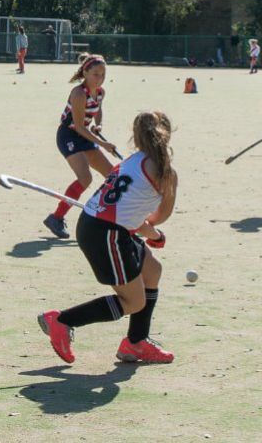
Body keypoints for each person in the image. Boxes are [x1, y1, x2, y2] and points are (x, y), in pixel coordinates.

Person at [38, 111, 178, 364]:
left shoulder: (129, 162)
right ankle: (61, 320)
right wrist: (155, 234)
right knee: (133, 302)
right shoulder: (166, 173)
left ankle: (136, 343)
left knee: (152, 270)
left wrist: (148, 231)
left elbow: (134, 216)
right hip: (107, 234)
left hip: (98, 225)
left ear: (136, 137)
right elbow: (158, 217)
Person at [43, 54, 120, 239]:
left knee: (112, 176)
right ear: (85, 72)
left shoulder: (100, 92)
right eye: (95, 74)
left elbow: (98, 110)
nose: (99, 78)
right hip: (69, 135)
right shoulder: (78, 93)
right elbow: (78, 126)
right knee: (85, 178)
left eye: (102, 74)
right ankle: (56, 217)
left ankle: (110, 218)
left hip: (85, 135)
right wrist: (103, 144)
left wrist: (99, 124)